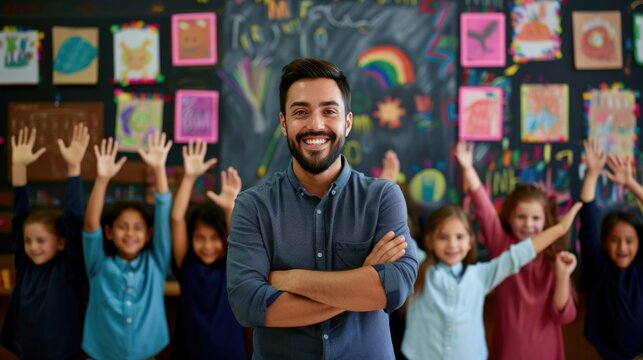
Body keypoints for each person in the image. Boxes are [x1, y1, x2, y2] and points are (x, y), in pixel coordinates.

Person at [226, 57, 417, 358]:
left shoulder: (383, 198)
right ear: (283, 123)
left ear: (348, 122)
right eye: (301, 112)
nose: (315, 125)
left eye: (329, 111)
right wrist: (362, 280)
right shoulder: (253, 207)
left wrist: (291, 279)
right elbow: (249, 305)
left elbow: (394, 288)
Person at [402, 202, 581, 359]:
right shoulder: (417, 265)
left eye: (459, 237)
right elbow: (399, 233)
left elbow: (518, 255)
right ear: (430, 241)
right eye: (443, 237)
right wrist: (388, 181)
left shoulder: (480, 275)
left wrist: (559, 230)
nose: (452, 245)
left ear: (471, 241)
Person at [455, 141, 577, 360]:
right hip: (509, 349)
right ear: (509, 218)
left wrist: (562, 276)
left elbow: (563, 315)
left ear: (546, 220)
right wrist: (468, 168)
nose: (529, 224)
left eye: (536, 218)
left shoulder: (554, 259)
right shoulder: (503, 246)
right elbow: (484, 210)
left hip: (545, 349)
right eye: (521, 217)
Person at [1, 125, 89, 359]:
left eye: (41, 241)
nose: (33, 247)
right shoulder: (25, 264)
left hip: (65, 353)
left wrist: (73, 167)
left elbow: (74, 218)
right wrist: (18, 167)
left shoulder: (68, 268)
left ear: (61, 243)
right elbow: (19, 217)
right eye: (29, 241)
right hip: (29, 352)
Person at [82, 132, 172, 359]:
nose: (130, 233)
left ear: (149, 234)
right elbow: (91, 225)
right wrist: (102, 179)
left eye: (138, 227)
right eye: (122, 226)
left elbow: (162, 213)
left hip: (147, 354)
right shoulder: (98, 265)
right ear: (109, 233)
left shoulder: (155, 263)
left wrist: (159, 168)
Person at [170, 139, 247, 359]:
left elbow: (238, 239)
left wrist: (230, 206)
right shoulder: (187, 264)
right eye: (200, 238)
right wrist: (190, 177)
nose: (207, 246)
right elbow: (176, 218)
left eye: (214, 238)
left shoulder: (231, 268)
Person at [579, 139, 643, 359]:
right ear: (604, 242)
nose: (622, 247)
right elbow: (588, 216)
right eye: (615, 240)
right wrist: (592, 174)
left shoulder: (640, 268)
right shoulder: (599, 267)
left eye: (629, 240)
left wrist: (631, 184)